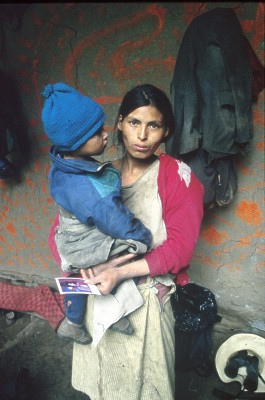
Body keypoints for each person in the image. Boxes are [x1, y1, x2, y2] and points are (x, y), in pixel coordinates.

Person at [48, 83, 204, 399]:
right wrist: (86, 265)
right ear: (119, 123)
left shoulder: (177, 176)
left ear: (166, 130)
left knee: (145, 389)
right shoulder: (96, 174)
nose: (142, 136)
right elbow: (60, 233)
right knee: (103, 385)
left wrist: (119, 272)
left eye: (154, 125)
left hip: (144, 303)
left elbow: (180, 249)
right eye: (134, 122)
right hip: (96, 298)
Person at [42, 82, 152, 345]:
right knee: (131, 250)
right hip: (83, 244)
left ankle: (73, 320)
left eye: (102, 127)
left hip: (69, 236)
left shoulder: (63, 161)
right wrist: (142, 236)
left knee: (81, 270)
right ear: (77, 142)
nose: (106, 134)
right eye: (96, 133)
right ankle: (113, 312)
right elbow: (115, 220)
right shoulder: (92, 191)